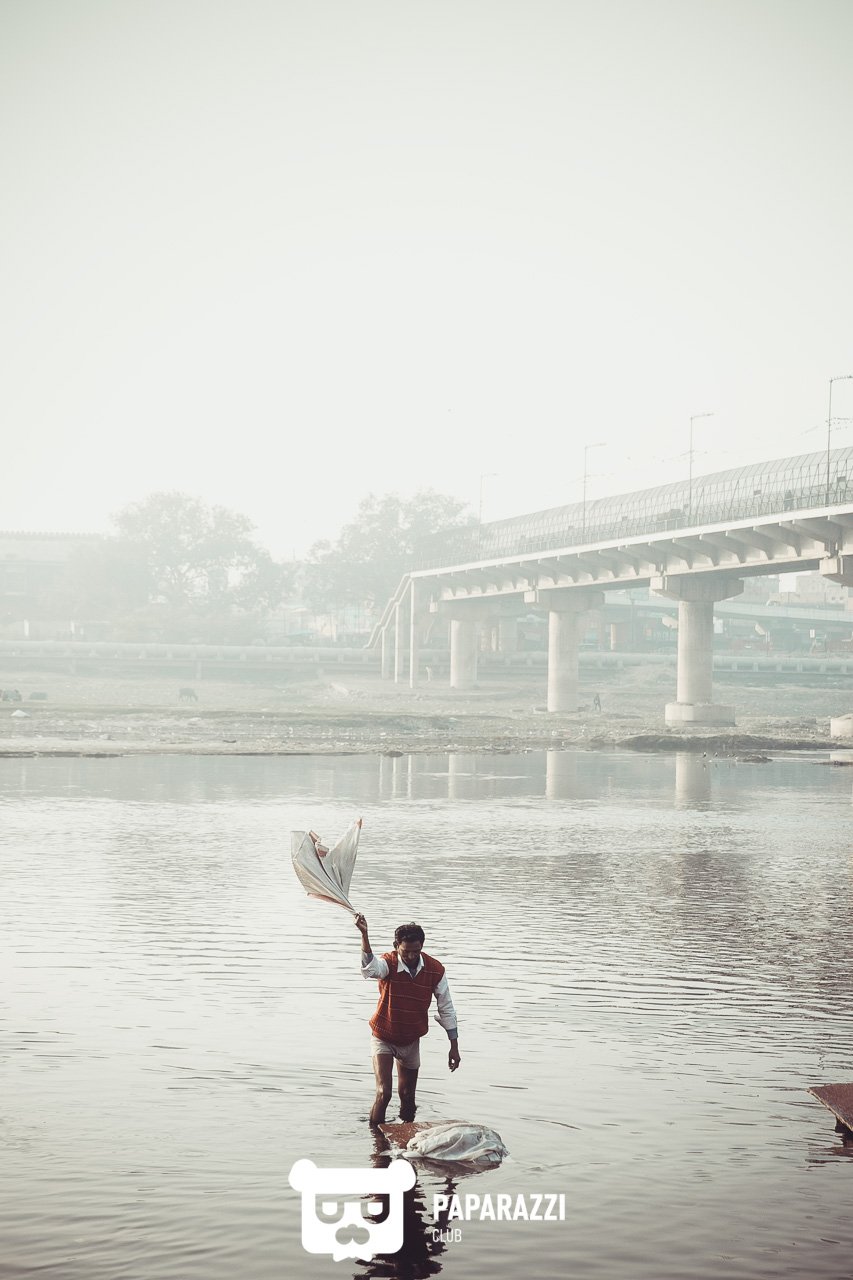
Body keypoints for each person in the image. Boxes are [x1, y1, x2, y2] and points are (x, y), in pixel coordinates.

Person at [355, 913, 460, 1127]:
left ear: (422, 947)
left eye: (416, 951)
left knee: (408, 1099)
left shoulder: (435, 969)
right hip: (383, 1035)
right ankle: (377, 1145)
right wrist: (365, 935)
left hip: (410, 1040)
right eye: (406, 951)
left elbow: (446, 1007)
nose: (411, 956)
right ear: (396, 946)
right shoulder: (389, 963)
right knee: (384, 1093)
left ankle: (407, 1142)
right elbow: (370, 969)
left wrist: (454, 1046)